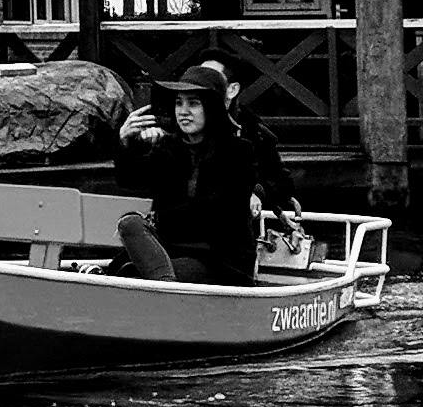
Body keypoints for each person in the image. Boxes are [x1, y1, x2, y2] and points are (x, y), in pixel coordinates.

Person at [116, 56, 302, 284]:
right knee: (129, 225)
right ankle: (164, 286)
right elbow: (129, 181)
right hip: (172, 253)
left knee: (136, 273)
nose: (183, 111)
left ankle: (165, 289)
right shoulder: (169, 146)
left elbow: (214, 214)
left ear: (211, 108)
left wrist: (260, 195)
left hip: (221, 262)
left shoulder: (238, 151)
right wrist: (128, 144)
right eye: (178, 103)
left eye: (193, 103)